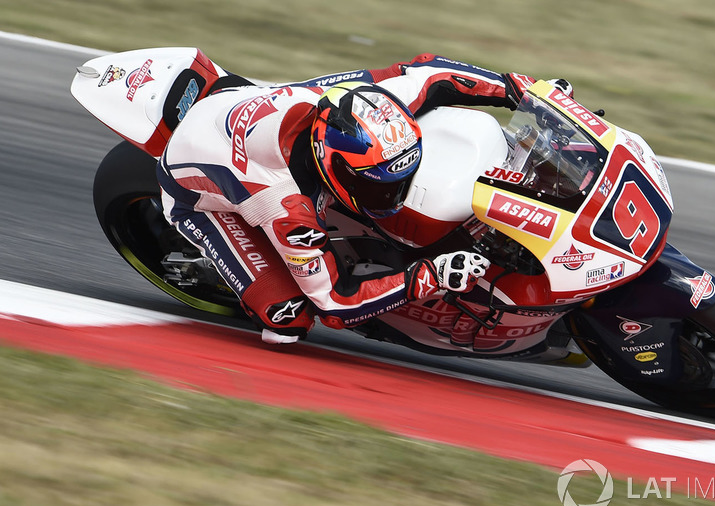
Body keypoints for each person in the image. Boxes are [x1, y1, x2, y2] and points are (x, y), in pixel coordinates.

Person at [156, 53, 573, 344]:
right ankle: (222, 270)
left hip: (240, 113)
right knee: (288, 321)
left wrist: (524, 92)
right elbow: (334, 303)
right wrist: (429, 275)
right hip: (198, 191)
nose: (393, 195)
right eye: (379, 186)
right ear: (333, 165)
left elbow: (431, 73)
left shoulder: (369, 100)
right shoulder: (286, 205)